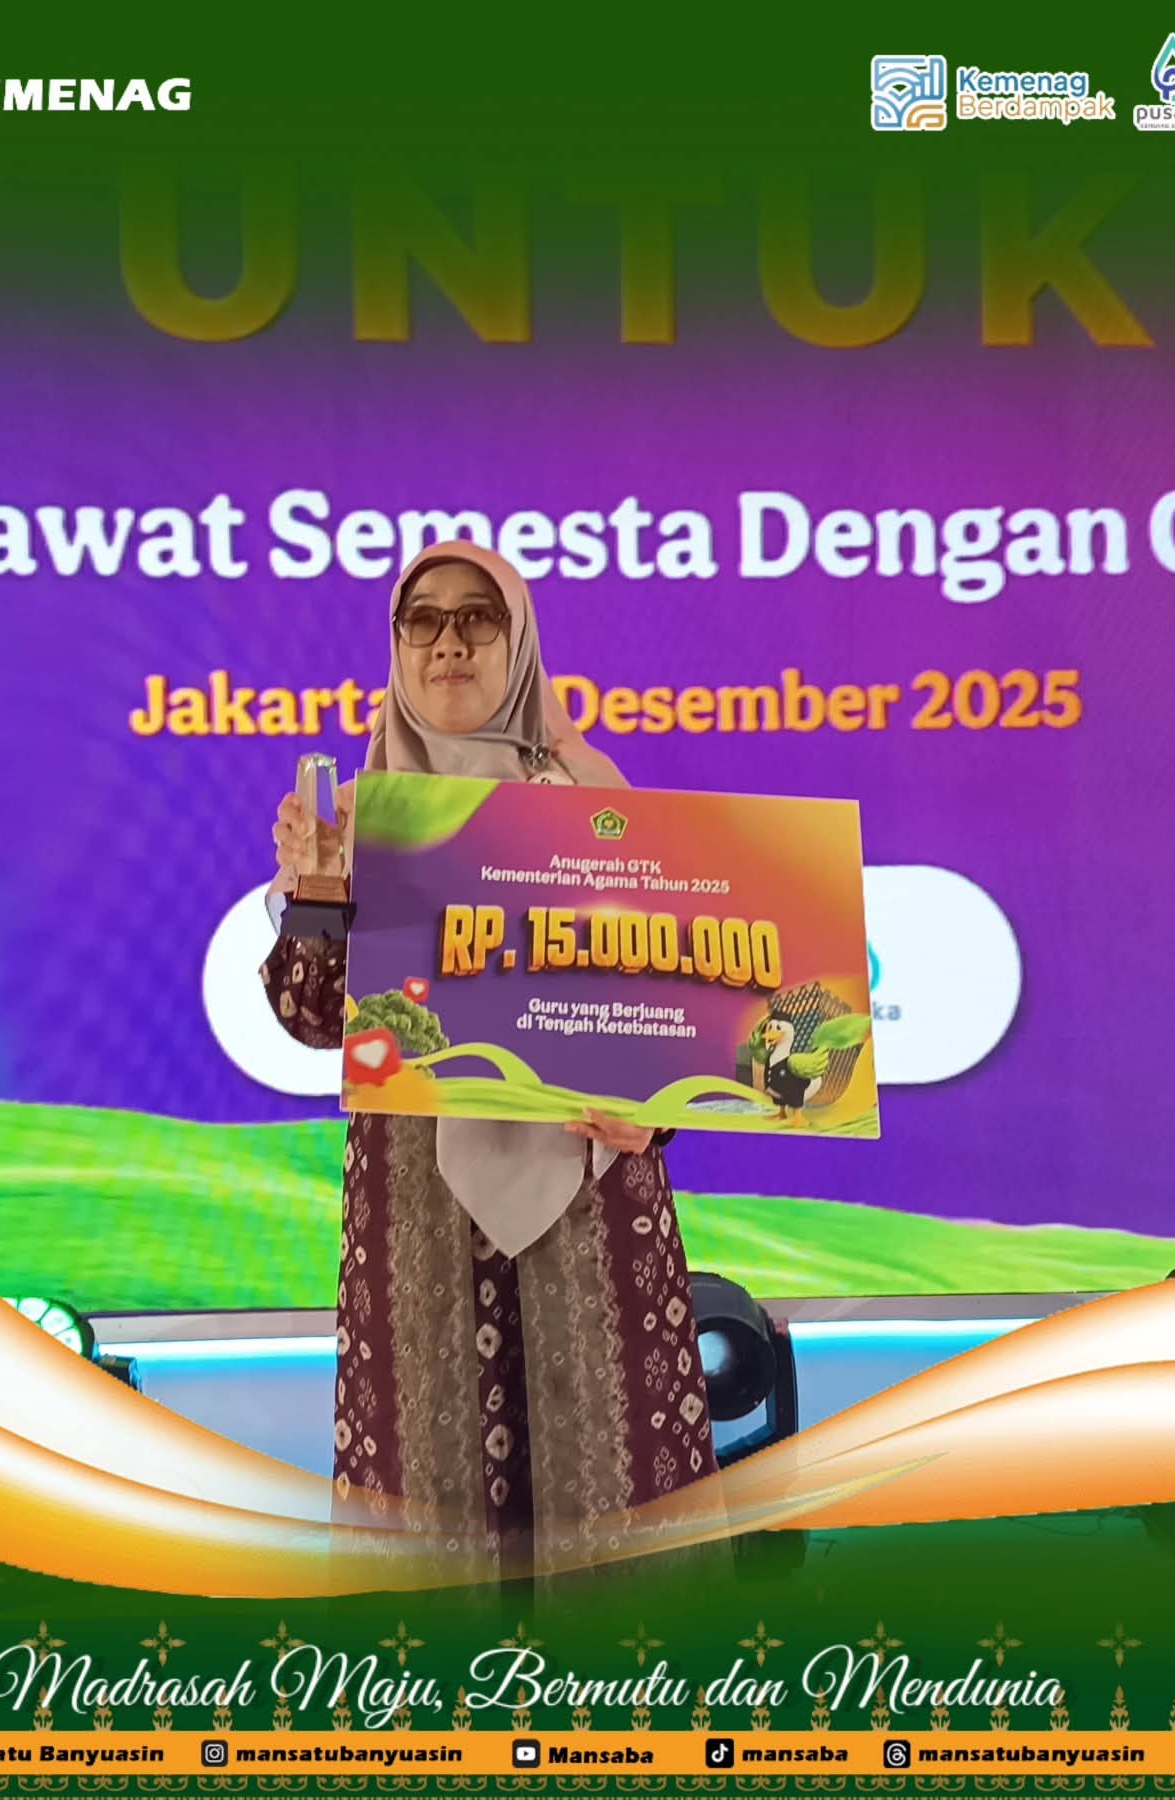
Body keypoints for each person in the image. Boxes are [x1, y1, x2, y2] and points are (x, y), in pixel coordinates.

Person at [260, 540, 722, 1586]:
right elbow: (313, 1018)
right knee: (430, 1503)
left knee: (611, 1502)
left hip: (589, 1204)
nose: (450, 643)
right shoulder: (359, 816)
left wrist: (654, 1118)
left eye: (480, 617)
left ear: (520, 644)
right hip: (417, 1215)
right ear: (396, 646)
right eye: (423, 619)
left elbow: (677, 1012)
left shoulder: (595, 797)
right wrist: (317, 894)